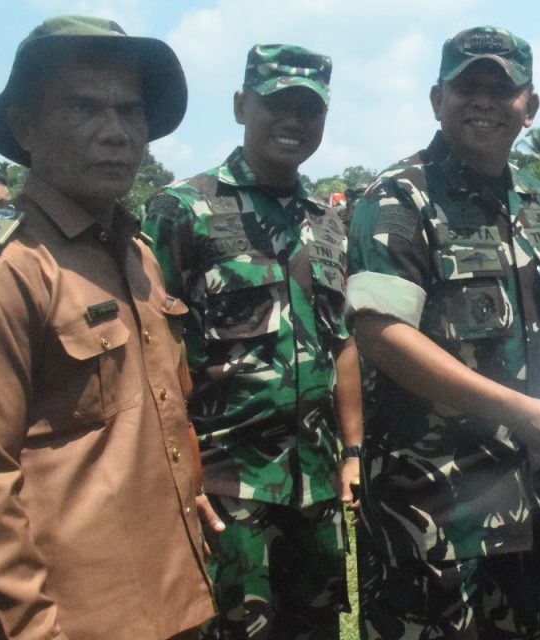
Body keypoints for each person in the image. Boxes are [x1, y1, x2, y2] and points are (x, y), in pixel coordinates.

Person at [342, 26, 540, 638]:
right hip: (431, 497)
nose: (485, 101)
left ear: (531, 106)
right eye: (469, 86)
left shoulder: (535, 200)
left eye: (503, 87)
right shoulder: (398, 197)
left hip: (527, 487)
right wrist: (521, 410)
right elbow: (382, 333)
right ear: (437, 98)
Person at [0, 15, 215, 638]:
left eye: (130, 112)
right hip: (78, 618)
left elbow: (153, 413)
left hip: (178, 596)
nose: (115, 133)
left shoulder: (137, 254)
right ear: (26, 128)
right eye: (84, 109)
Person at [141, 44, 358, 639]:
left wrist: (353, 454)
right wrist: (174, 475)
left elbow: (342, 342)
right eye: (276, 104)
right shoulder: (182, 210)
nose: (294, 121)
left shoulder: (329, 222)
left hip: (313, 484)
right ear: (241, 105)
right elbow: (148, 349)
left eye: (308, 109)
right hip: (224, 486)